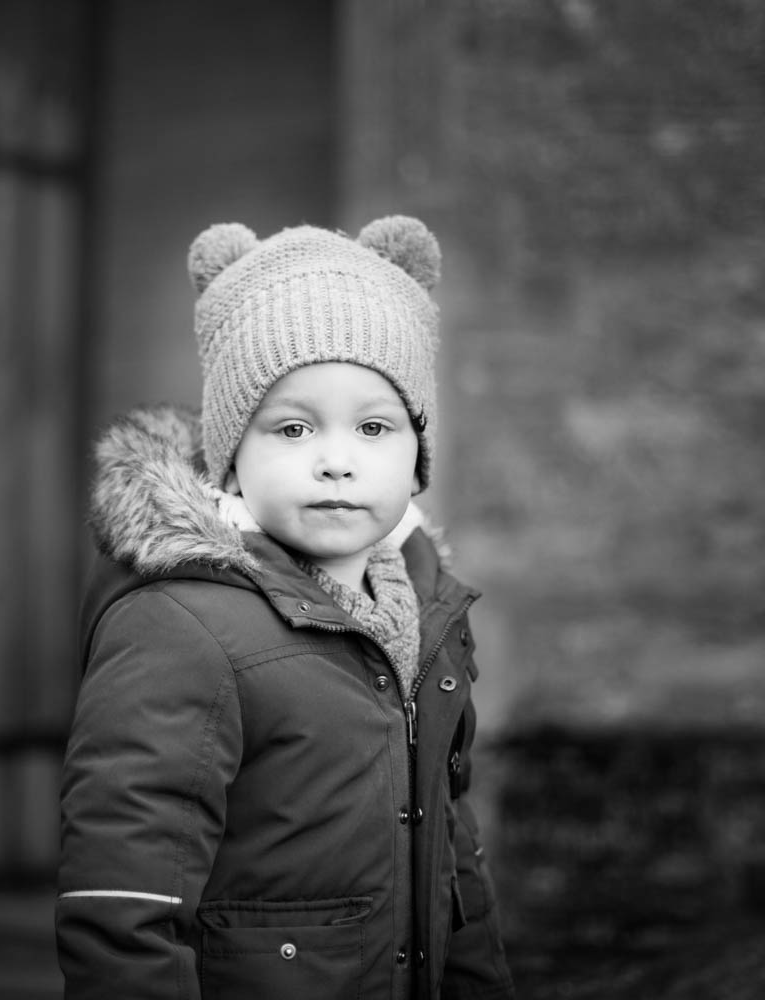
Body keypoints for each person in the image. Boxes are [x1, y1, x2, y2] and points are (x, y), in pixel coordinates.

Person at [57, 216, 517, 1000]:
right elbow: (126, 895)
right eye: (294, 427)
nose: (336, 460)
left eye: (374, 427)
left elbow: (451, 861)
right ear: (234, 458)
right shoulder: (181, 624)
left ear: (417, 459)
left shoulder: (426, 611)